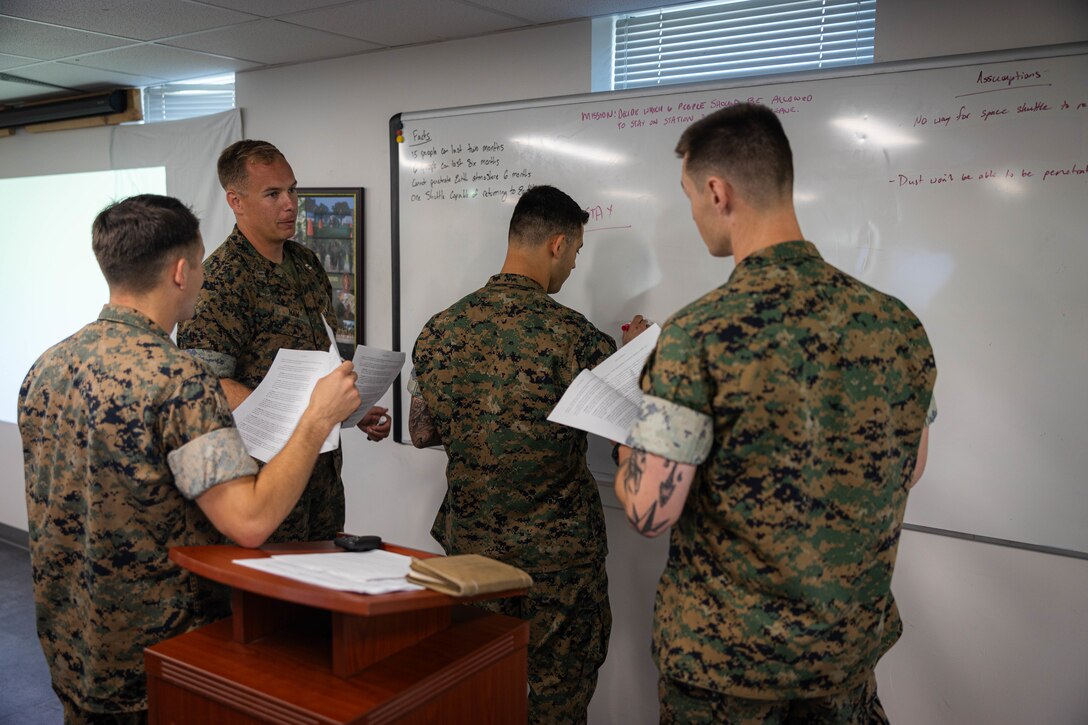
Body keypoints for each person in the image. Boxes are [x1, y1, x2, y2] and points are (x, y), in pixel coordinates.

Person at [613, 104, 937, 724]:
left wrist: (629, 451)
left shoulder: (698, 334)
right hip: (843, 663)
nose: (690, 213)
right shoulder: (898, 325)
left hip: (725, 675)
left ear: (717, 191)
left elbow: (652, 511)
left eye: (688, 196)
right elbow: (910, 464)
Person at [19, 195, 362, 723]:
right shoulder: (177, 380)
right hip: (163, 656)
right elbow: (249, 521)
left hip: (76, 650)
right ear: (182, 271)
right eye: (201, 264)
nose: (204, 277)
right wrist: (317, 419)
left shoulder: (49, 365)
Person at [408, 185, 649, 724]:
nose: (573, 266)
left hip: (471, 551)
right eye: (578, 251)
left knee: (476, 693)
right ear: (558, 245)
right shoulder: (578, 339)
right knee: (556, 707)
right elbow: (630, 436)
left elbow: (422, 432)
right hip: (557, 567)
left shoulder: (440, 329)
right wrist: (639, 359)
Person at [177, 139, 390, 543]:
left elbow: (319, 358)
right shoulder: (221, 280)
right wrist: (308, 415)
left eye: (292, 189)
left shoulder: (306, 264)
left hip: (321, 473)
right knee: (272, 599)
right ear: (235, 201)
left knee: (324, 590)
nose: (290, 203)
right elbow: (205, 387)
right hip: (261, 478)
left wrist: (349, 408)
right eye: (273, 194)